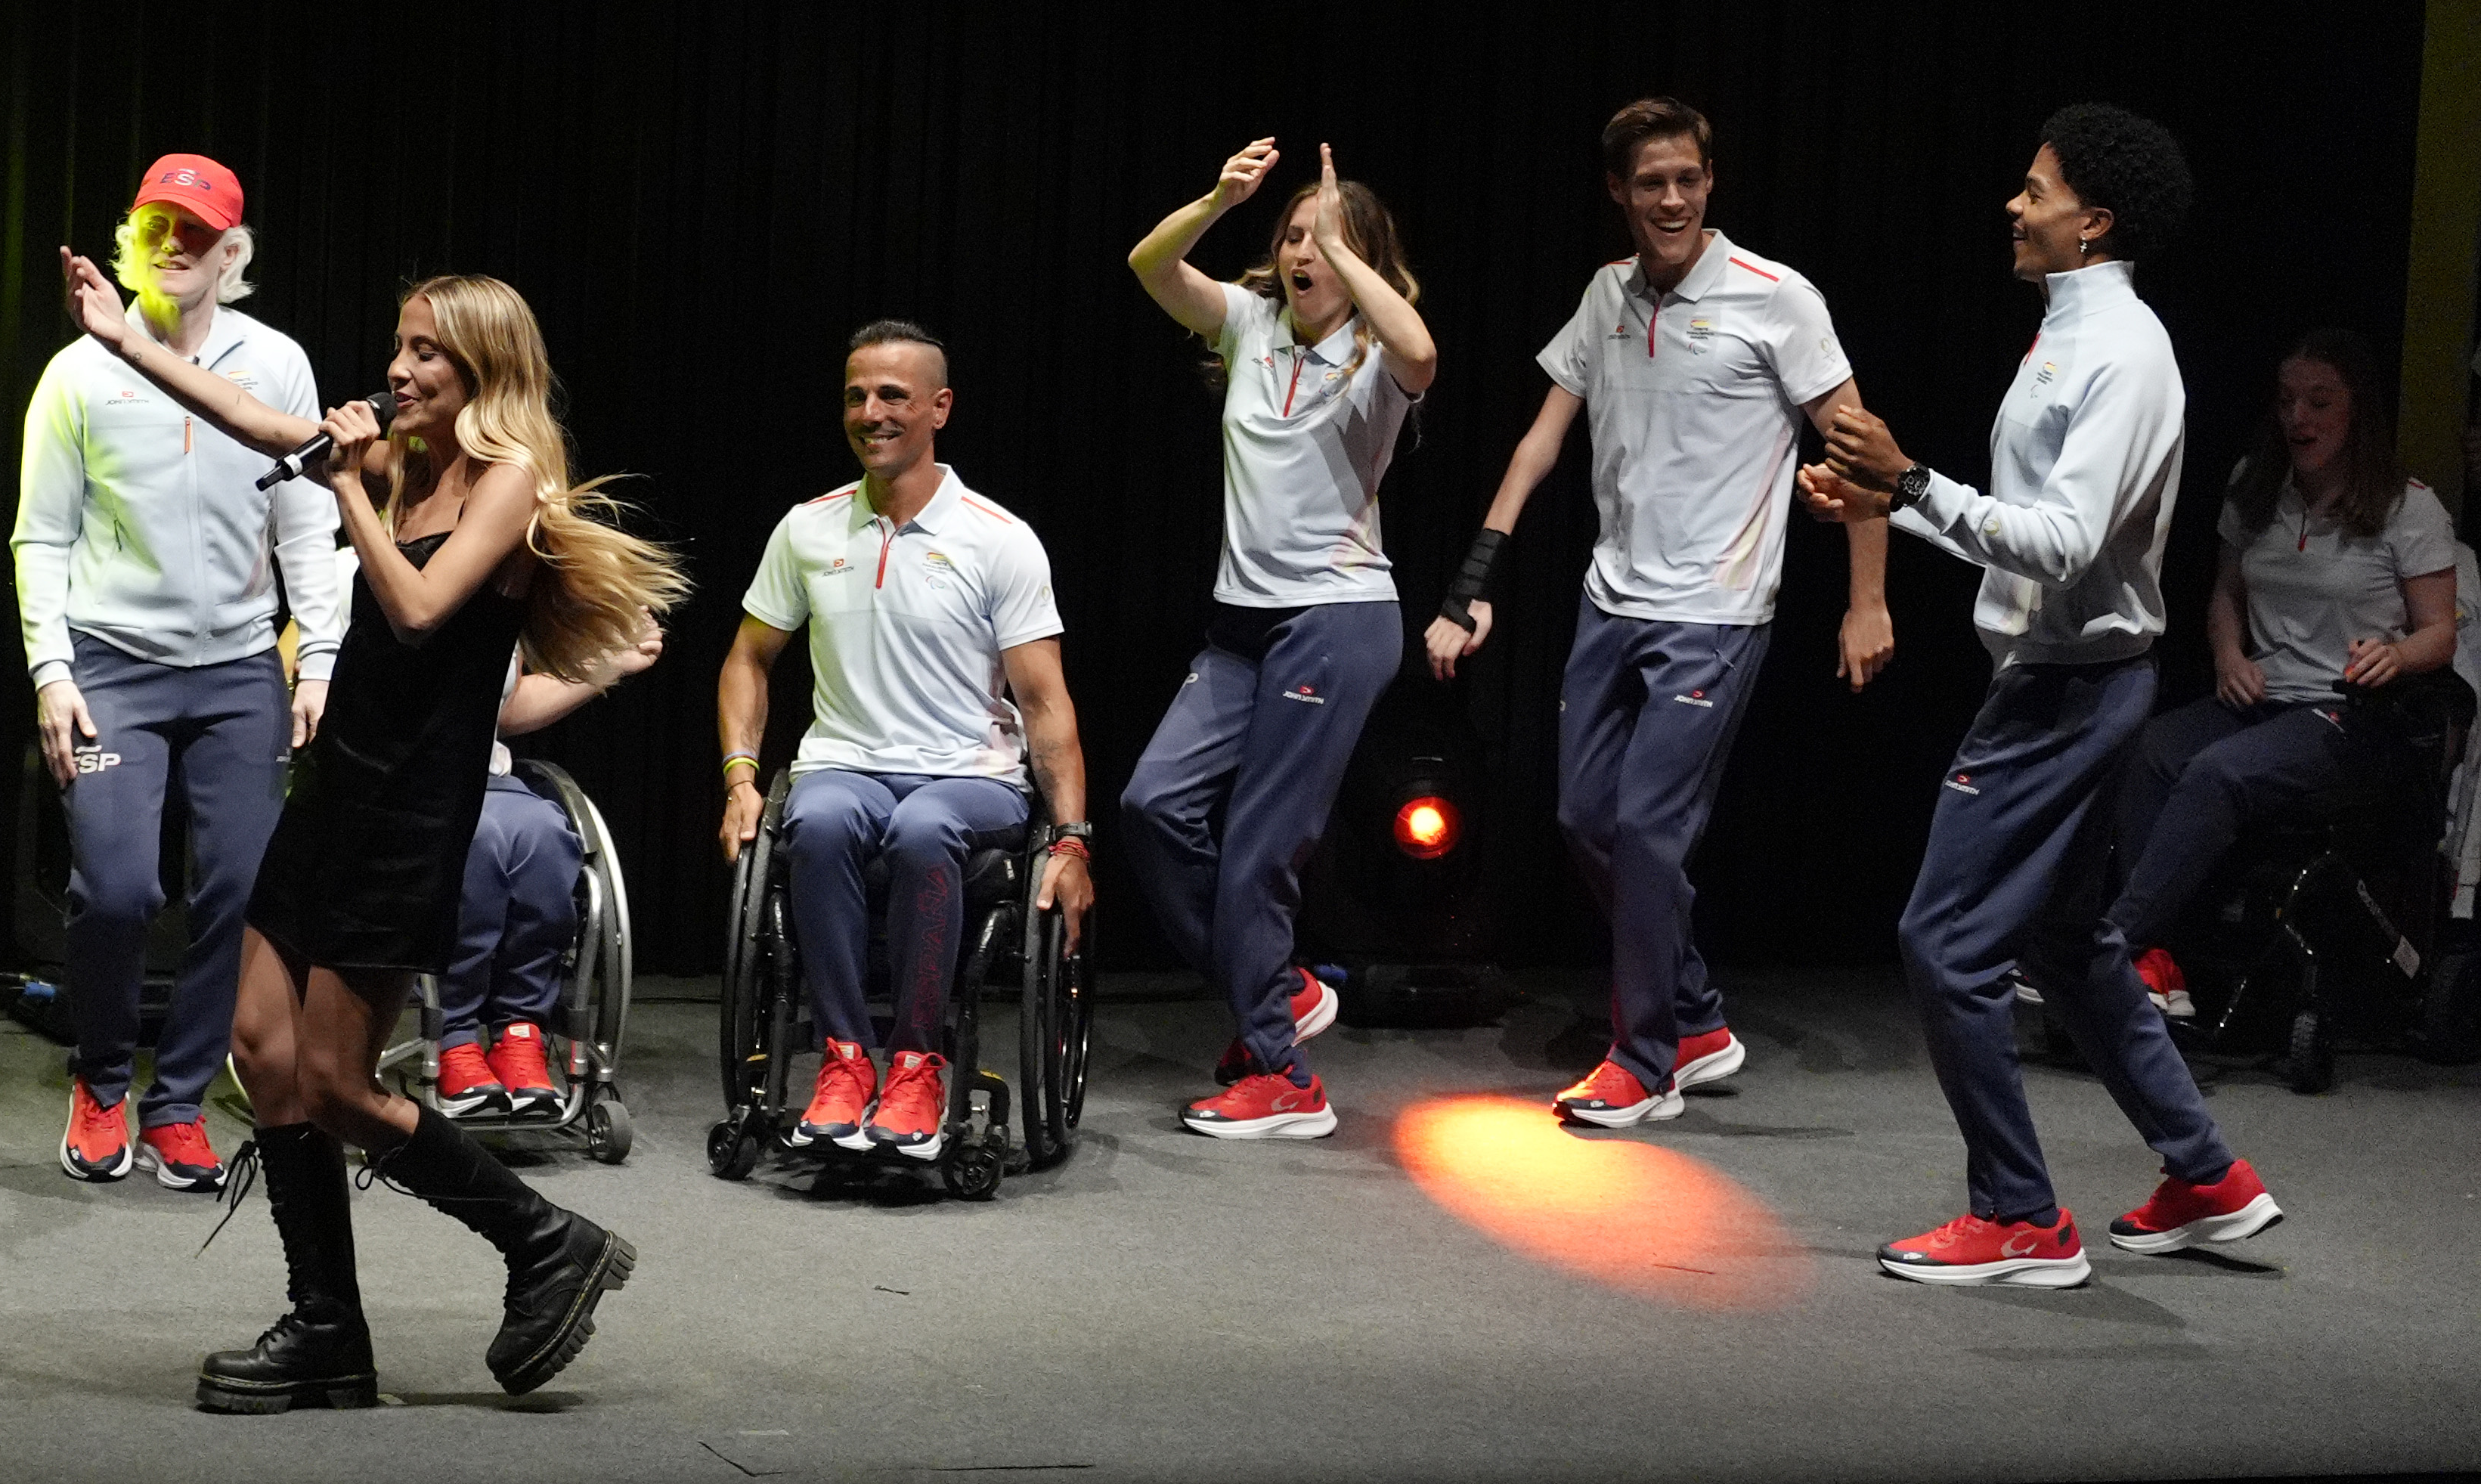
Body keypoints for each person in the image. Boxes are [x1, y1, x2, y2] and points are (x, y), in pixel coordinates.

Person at [60, 259, 683, 1408]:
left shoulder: (510, 476)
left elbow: (416, 607)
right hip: (336, 788)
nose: (398, 370)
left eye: (426, 353)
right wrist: (122, 341)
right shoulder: (407, 461)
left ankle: (544, 1239)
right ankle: (327, 1331)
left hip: (410, 811)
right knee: (262, 1047)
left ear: (484, 364)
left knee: (340, 1084)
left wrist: (348, 488)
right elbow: (253, 419)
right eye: (400, 348)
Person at [1798, 105, 2288, 1286]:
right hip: (2061, 675)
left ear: (2093, 222)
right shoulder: (2073, 333)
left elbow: (2063, 545)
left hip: (2070, 691)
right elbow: (2032, 533)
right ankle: (2207, 1174)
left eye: (2035, 191)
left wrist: (1909, 479)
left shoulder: (2123, 350)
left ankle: (2020, 1214)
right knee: (2069, 942)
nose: (2015, 207)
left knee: (1947, 940)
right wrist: (1897, 495)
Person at [1427, 96, 1894, 1129]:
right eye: (1650, 183)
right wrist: (1471, 584)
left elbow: (1862, 445)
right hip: (1611, 602)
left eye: (1687, 178)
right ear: (1618, 193)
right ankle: (1692, 1013)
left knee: (1645, 830)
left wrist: (1867, 597)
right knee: (1585, 819)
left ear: (1711, 181)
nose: (1671, 198)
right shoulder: (1607, 295)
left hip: (1717, 614)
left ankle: (1645, 1059)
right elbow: (1539, 445)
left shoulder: (1778, 298)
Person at [14, 151, 342, 1191]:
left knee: (242, 891)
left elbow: (308, 521)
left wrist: (318, 660)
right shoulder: (80, 370)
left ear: (231, 251)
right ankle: (104, 1080)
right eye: (159, 226)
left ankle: (180, 1102)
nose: (174, 246)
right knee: (115, 891)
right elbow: (40, 538)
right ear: (133, 236)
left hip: (241, 667)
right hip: (114, 663)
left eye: (196, 232)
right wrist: (51, 671)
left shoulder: (276, 363)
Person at [1117, 138, 1438, 1139]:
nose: (1305, 251)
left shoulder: (1378, 358)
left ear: (1360, 263)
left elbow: (1426, 353)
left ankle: (1283, 1077)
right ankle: (1281, 989)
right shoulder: (1249, 324)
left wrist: (1350, 257)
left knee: (1259, 849)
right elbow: (1149, 267)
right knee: (1154, 806)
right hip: (1243, 625)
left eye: (1328, 240)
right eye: (1295, 235)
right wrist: (1218, 196)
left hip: (1338, 621)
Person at [714, 322, 1092, 1166]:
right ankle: (847, 1061)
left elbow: (1044, 702)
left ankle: (919, 1065)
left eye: (892, 395)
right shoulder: (807, 529)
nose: (871, 412)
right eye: (856, 395)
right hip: (845, 763)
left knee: (925, 827)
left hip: (969, 777)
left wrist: (1071, 838)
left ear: (939, 408)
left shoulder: (999, 538)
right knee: (814, 817)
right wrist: (741, 777)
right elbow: (747, 657)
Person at [2109, 327, 2457, 1020]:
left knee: (2219, 773)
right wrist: (2229, 656)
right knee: (2148, 750)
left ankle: (2112, 947)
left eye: (2320, 402)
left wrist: (2396, 654)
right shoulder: (2254, 484)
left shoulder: (2406, 506)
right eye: (2288, 401)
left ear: (2356, 411)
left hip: (2349, 714)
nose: (2299, 418)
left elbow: (2440, 634)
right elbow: (2225, 594)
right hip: (2263, 699)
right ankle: (2161, 965)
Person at [427, 624, 664, 1123]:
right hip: (403, 783)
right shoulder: (351, 579)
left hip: (488, 778)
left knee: (548, 836)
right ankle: (455, 1037)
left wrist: (607, 665)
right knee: (477, 842)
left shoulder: (500, 588)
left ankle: (519, 1033)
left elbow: (504, 709)